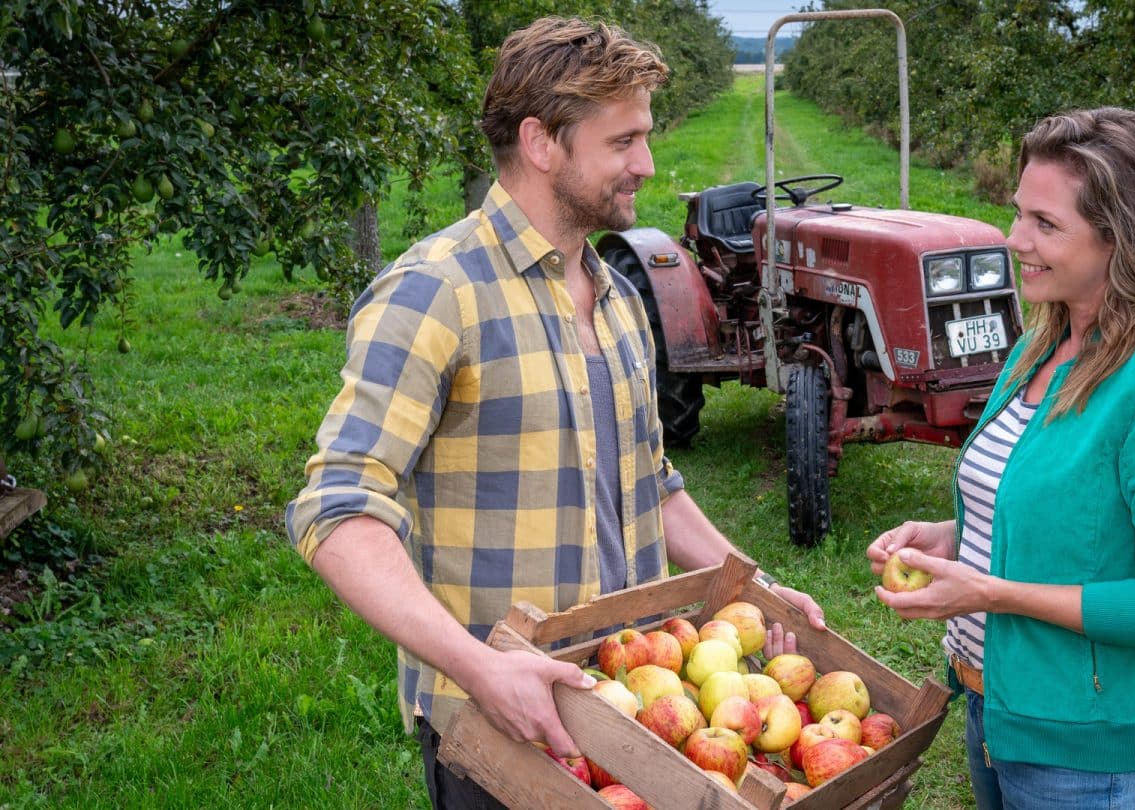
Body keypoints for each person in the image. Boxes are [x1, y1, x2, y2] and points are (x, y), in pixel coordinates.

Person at [285, 17, 825, 809]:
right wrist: (478, 666)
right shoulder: (437, 292)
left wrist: (755, 586)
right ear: (541, 143)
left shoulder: (613, 298)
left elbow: (651, 480)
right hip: (505, 722)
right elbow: (336, 511)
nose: (646, 164)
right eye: (623, 142)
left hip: (632, 705)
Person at [867, 107, 1135, 809]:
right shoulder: (1040, 346)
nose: (1014, 240)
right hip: (1000, 712)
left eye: (1045, 224)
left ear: (1120, 239)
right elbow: (1066, 520)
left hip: (1094, 753)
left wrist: (989, 592)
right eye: (1018, 215)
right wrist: (952, 537)